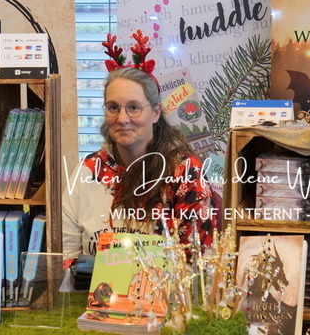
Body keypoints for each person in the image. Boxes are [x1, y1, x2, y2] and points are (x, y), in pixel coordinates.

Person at [62, 31, 220, 260]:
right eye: (113, 107)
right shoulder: (88, 170)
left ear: (155, 113)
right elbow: (66, 254)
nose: (122, 118)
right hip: (92, 284)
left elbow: (197, 261)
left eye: (134, 107)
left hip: (165, 285)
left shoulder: (184, 172)